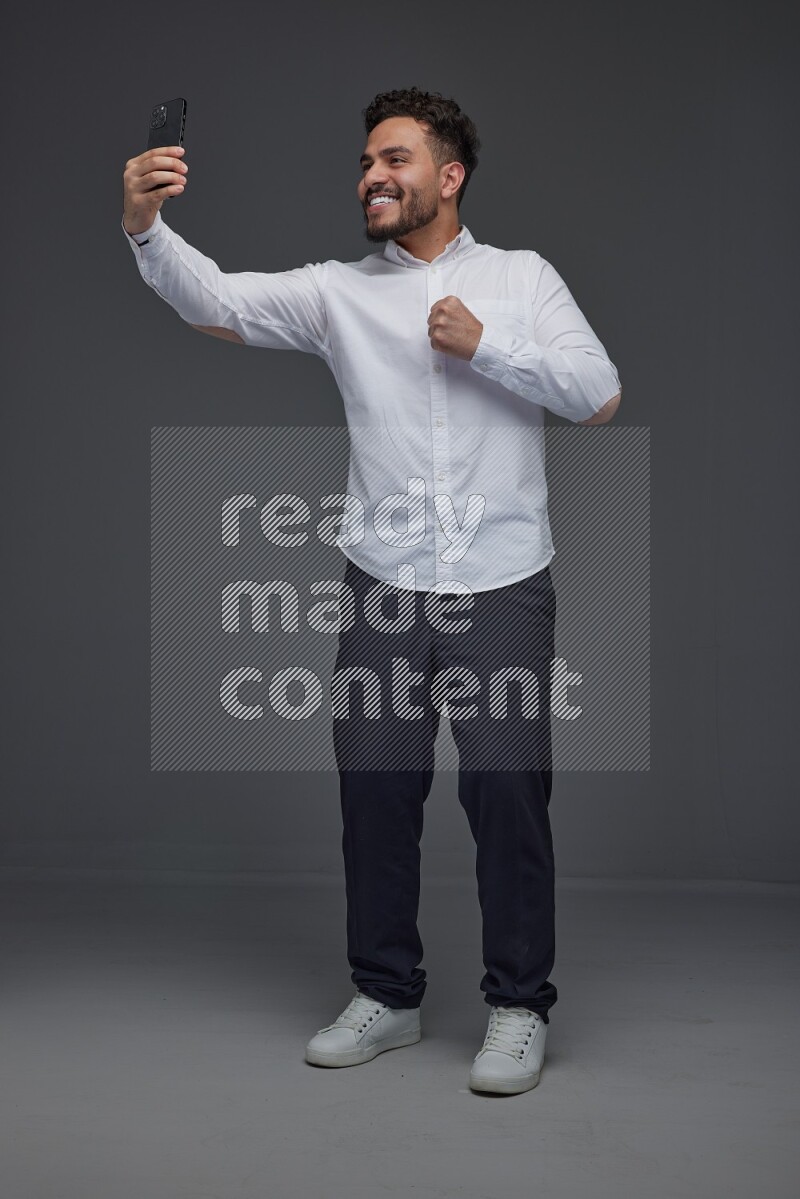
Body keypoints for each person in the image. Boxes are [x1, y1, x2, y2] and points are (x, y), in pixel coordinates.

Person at [122, 86, 621, 1096]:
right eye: (363, 163)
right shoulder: (336, 292)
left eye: (392, 159)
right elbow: (215, 300)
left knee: (507, 796)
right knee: (375, 795)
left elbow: (598, 393)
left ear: (448, 175)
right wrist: (144, 225)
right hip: (382, 592)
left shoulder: (521, 281)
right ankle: (386, 994)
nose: (371, 177)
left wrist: (489, 344)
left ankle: (517, 1004)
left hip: (501, 586)